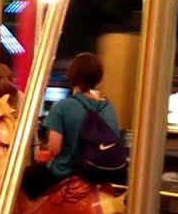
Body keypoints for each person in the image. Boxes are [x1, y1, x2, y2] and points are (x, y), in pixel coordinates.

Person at [18, 52, 123, 200]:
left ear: (71, 75)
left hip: (67, 171)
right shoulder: (107, 106)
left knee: (21, 179)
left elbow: (54, 149)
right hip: (101, 173)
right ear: (98, 78)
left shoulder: (62, 107)